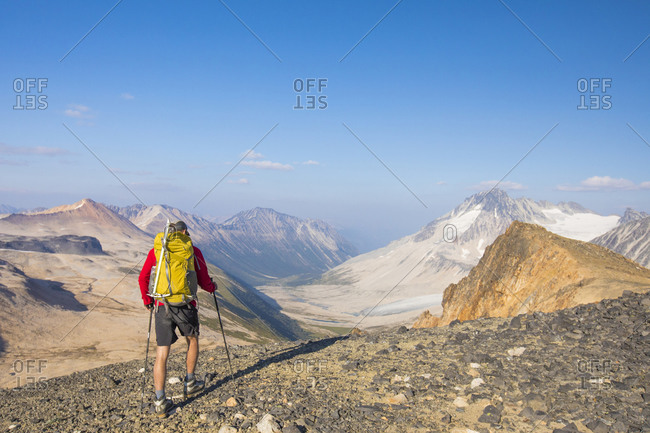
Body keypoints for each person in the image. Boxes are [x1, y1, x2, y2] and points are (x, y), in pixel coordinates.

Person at [138, 220, 217, 417]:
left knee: (162, 352)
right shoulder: (192, 250)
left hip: (161, 305)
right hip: (185, 305)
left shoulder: (158, 250)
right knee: (192, 340)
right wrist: (211, 288)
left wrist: (148, 300)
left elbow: (143, 277)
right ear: (184, 232)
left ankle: (160, 400)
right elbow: (203, 278)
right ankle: (190, 382)